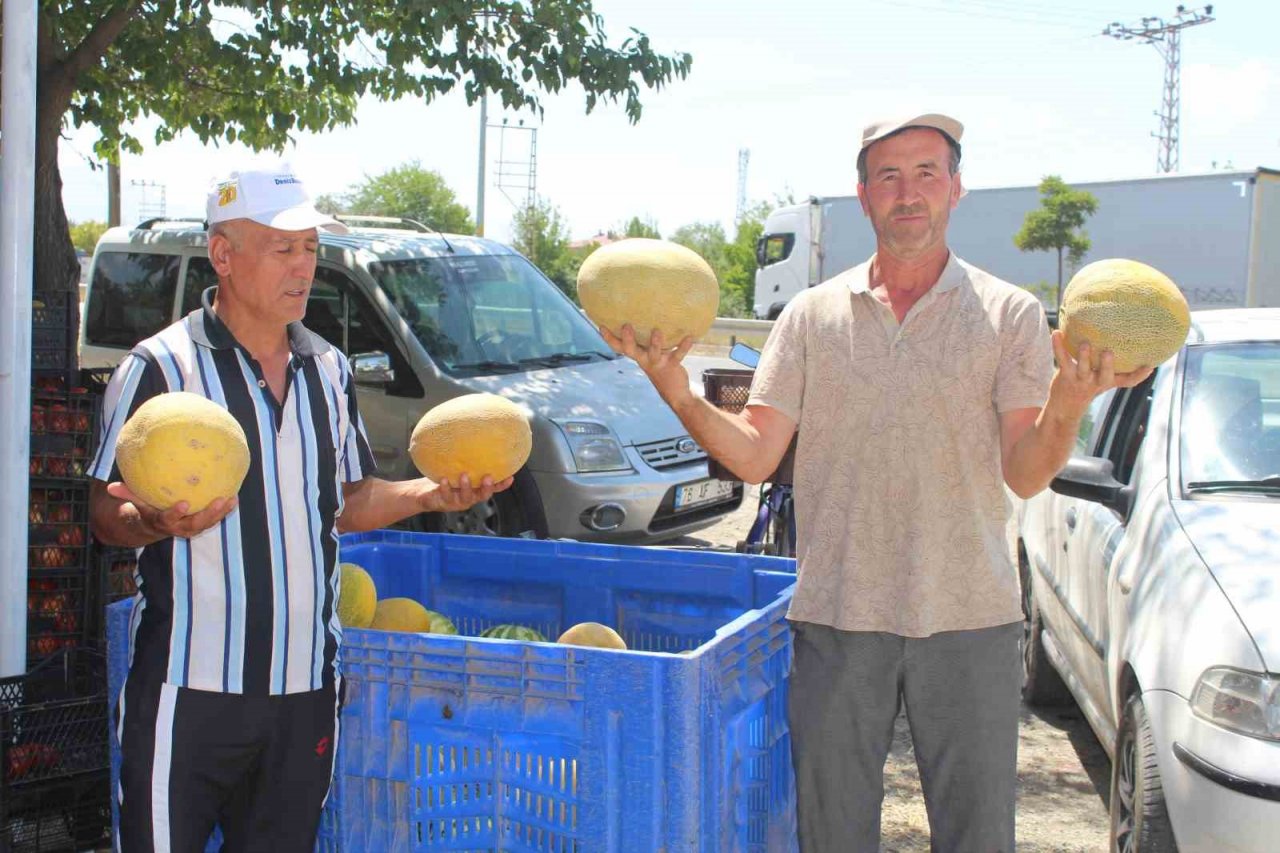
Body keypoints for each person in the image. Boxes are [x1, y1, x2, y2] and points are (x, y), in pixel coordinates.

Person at [602, 113, 1152, 851]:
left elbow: (1024, 471)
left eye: (927, 172)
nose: (909, 192)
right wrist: (673, 384)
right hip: (837, 613)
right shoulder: (810, 315)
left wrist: (1069, 403)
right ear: (863, 196)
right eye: (888, 176)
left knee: (977, 835)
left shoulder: (1008, 313)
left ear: (956, 188)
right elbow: (758, 456)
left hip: (970, 618)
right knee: (831, 833)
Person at [88, 160, 511, 852]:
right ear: (223, 255)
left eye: (310, 247)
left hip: (304, 691)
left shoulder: (330, 369)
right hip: (186, 691)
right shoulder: (159, 368)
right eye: (283, 247)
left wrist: (434, 493)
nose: (303, 266)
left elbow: (344, 503)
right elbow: (103, 512)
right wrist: (151, 521)